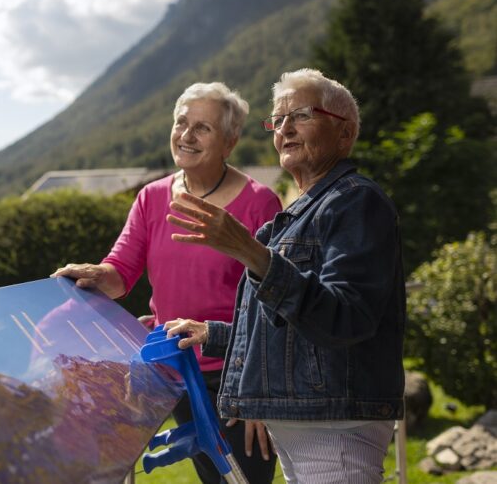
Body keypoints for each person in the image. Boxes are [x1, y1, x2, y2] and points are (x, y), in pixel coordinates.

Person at [164, 69, 406, 484]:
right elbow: (293, 329)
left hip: (336, 434)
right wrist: (214, 334)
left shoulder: (357, 202)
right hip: (310, 431)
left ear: (344, 133)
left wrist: (251, 252)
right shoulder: (300, 213)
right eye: (278, 120)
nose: (285, 129)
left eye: (302, 115)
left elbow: (346, 317)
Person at [53, 82, 281, 483]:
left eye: (203, 128)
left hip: (236, 374)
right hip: (172, 369)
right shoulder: (151, 198)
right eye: (181, 123)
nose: (186, 135)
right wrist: (93, 274)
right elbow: (119, 274)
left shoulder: (259, 203)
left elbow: (273, 304)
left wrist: (261, 392)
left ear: (229, 142)